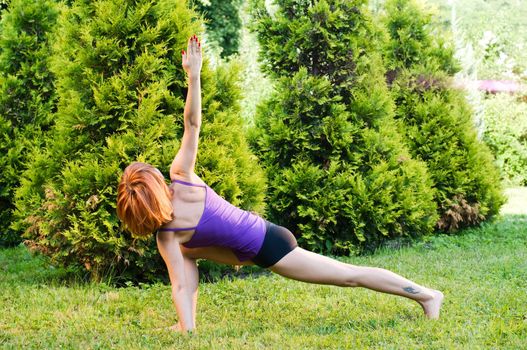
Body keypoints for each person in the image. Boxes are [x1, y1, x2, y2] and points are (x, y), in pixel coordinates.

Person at [116, 35, 444, 334]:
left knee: (349, 275)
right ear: (156, 185)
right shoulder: (179, 194)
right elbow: (191, 124)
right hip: (257, 243)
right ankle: (187, 325)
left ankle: (428, 296)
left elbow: (182, 285)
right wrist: (193, 75)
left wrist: (194, 75)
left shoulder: (172, 221)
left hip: (271, 246)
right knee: (187, 253)